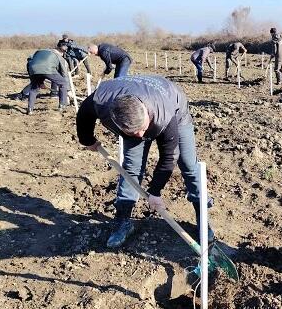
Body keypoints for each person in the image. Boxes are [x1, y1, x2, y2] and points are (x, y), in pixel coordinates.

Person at [76, 75, 215, 248]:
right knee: (131, 168)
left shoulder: (166, 114)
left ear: (146, 115)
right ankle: (123, 221)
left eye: (142, 129)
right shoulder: (101, 101)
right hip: (132, 103)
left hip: (174, 107)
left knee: (188, 165)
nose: (141, 136)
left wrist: (155, 192)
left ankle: (202, 218)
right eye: (134, 133)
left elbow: (169, 156)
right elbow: (83, 113)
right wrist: (87, 139)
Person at [26, 41, 70, 115]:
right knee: (63, 83)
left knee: (34, 88)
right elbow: (64, 73)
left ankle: (30, 109)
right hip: (48, 69)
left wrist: (40, 83)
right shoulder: (59, 56)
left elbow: (29, 62)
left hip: (33, 68)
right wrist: (67, 90)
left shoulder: (40, 51)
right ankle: (62, 105)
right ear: (61, 52)